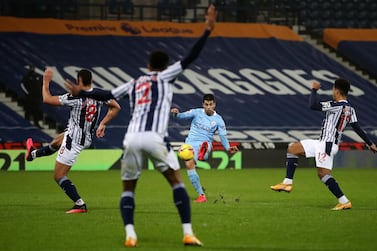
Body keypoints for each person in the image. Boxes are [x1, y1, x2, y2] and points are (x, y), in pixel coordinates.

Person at [65, 4, 217, 247]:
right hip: (155, 138)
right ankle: (188, 232)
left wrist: (83, 92)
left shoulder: (135, 82)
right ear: (166, 67)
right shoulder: (166, 76)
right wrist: (207, 30)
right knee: (176, 182)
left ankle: (130, 235)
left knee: (129, 188)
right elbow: (190, 57)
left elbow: (106, 94)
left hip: (132, 138)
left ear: (148, 66)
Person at [270, 79, 377, 210]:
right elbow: (357, 128)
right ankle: (287, 183)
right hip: (322, 143)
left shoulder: (336, 105)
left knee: (323, 174)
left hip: (327, 145)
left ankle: (344, 201)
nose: (332, 92)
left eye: (333, 89)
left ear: (337, 91)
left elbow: (313, 105)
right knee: (293, 148)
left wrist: (314, 89)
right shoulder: (350, 109)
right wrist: (370, 143)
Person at [42, 67, 120, 214]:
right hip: (86, 138)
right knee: (57, 140)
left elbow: (47, 99)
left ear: (78, 81)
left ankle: (79, 204)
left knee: (59, 175)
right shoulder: (99, 95)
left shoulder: (75, 97)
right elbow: (116, 107)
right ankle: (33, 154)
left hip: (75, 139)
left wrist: (46, 82)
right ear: (91, 80)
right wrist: (103, 123)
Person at [171, 94, 238, 203]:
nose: (208, 107)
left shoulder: (218, 120)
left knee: (198, 154)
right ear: (203, 104)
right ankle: (201, 196)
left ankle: (204, 152)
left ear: (214, 105)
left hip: (205, 142)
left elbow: (223, 136)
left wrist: (228, 148)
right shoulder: (196, 112)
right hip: (190, 144)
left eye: (210, 104)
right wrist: (175, 114)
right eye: (206, 104)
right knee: (188, 164)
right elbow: (180, 116)